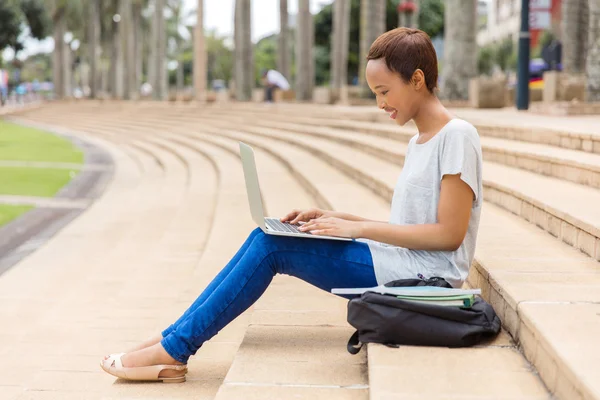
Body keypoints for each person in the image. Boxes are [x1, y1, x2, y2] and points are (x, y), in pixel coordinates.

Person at [101, 27, 483, 383]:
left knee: (272, 247)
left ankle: (175, 349)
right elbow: (412, 226)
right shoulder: (419, 141)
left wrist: (359, 229)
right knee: (263, 235)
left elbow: (449, 236)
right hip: (399, 262)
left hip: (427, 281)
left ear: (417, 79)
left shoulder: (457, 136)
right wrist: (337, 217)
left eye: (384, 91)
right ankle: (171, 337)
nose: (380, 103)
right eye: (375, 94)